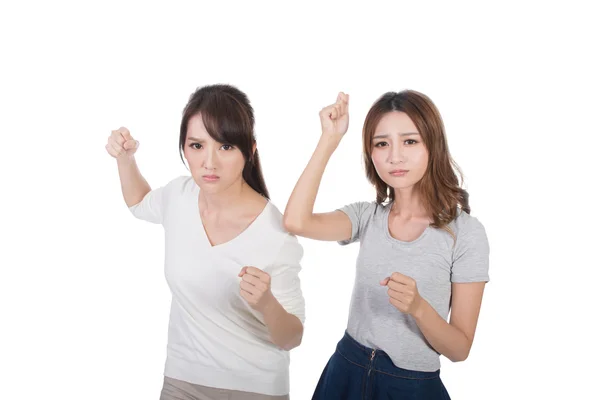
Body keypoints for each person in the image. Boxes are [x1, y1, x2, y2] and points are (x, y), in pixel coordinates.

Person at [283, 90, 490, 399]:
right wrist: (329, 139)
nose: (395, 156)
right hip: (345, 374)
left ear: (432, 144)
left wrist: (419, 308)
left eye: (410, 141)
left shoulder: (465, 233)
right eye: (382, 143)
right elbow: (296, 222)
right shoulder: (367, 216)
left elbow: (459, 349)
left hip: (411, 387)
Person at [106, 84, 305, 400]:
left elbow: (292, 337)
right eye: (197, 146)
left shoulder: (276, 234)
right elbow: (139, 203)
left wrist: (267, 303)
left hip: (255, 389)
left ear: (249, 150)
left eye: (225, 147)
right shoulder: (178, 196)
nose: (209, 163)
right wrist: (125, 159)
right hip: (181, 382)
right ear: (184, 147)